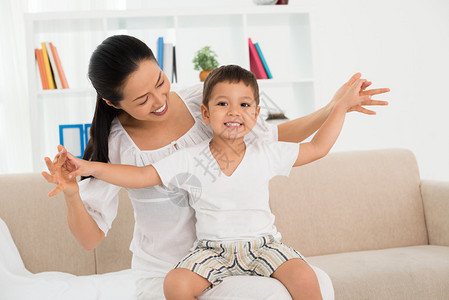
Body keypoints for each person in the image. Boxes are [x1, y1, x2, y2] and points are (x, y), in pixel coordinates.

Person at [42, 35, 389, 299]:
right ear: (111, 102)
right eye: (143, 99)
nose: (160, 101)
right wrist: (74, 192)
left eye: (160, 82)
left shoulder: (205, 100)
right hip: (177, 269)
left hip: (243, 255)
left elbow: (274, 137)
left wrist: (335, 107)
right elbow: (94, 233)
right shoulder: (115, 144)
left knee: (319, 282)